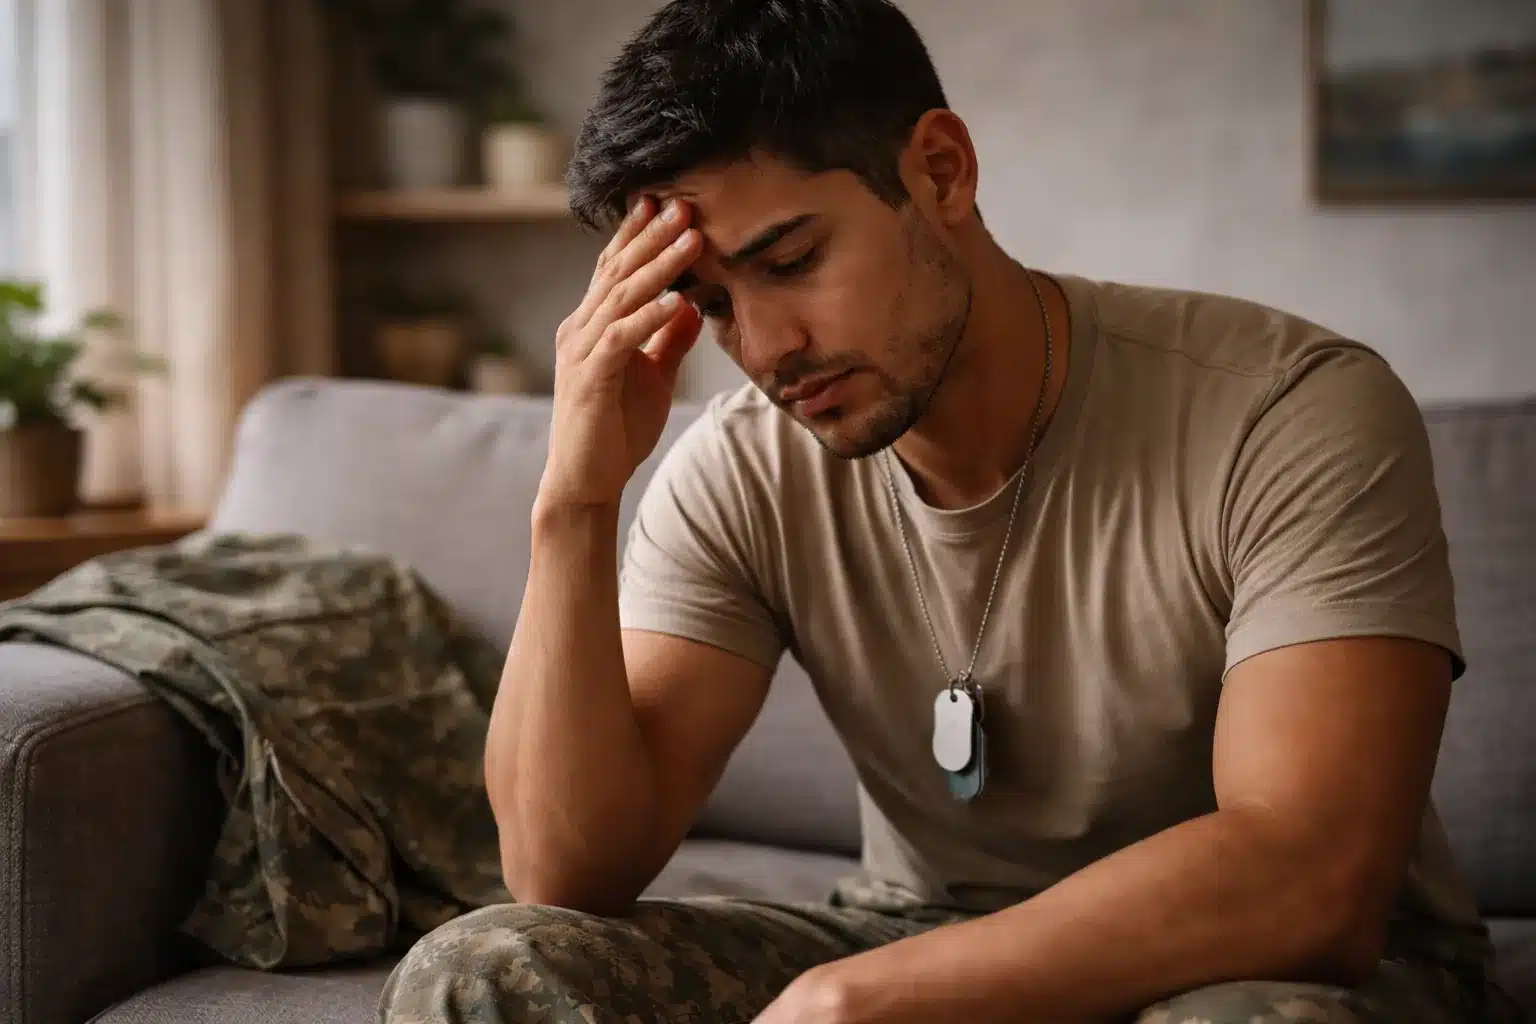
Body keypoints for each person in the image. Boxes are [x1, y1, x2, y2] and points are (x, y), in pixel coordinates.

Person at [379, 1, 1524, 1022]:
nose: (764, 349)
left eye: (792, 258)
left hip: (1265, 969)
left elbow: (1310, 876)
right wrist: (575, 499)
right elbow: (566, 869)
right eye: (712, 301)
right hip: (920, 933)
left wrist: (851, 999)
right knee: (484, 970)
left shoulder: (1291, 409)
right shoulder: (741, 469)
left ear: (939, 168)